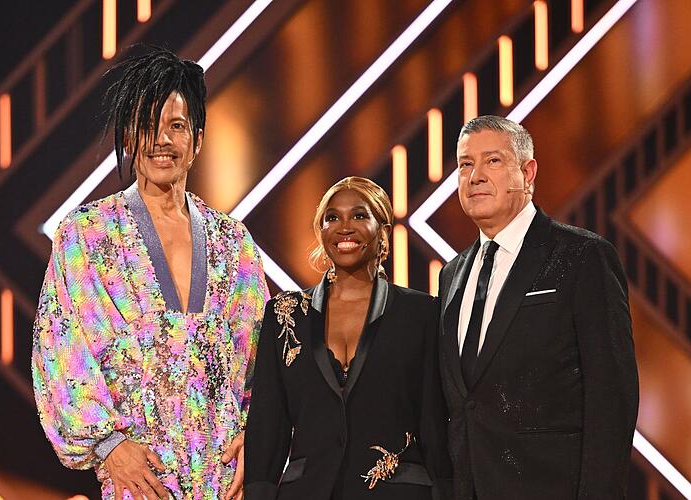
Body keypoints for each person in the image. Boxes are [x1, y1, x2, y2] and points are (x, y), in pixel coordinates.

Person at [32, 46, 269, 500]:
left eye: (176, 126)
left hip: (225, 482)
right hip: (140, 482)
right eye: (147, 125)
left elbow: (263, 359)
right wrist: (109, 447)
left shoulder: (233, 243)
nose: (162, 140)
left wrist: (256, 436)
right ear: (128, 136)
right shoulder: (86, 236)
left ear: (197, 140)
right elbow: (61, 353)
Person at [437, 115, 638, 500]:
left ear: (527, 173)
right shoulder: (451, 275)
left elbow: (612, 395)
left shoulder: (583, 256)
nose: (475, 176)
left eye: (492, 161)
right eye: (465, 164)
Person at [244, 177, 452, 500]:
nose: (344, 227)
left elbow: (433, 424)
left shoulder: (422, 313)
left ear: (383, 232)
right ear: (321, 231)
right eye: (332, 217)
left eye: (359, 215)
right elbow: (267, 426)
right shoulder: (285, 315)